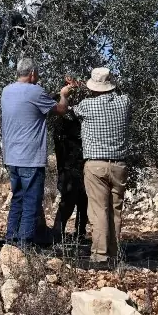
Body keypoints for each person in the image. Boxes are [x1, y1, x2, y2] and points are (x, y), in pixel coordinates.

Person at [1, 58, 73, 245]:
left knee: (18, 198)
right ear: (32, 73)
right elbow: (61, 109)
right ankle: (25, 243)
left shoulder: (6, 91)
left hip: (12, 156)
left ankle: (11, 239)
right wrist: (64, 94)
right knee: (32, 201)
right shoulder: (36, 91)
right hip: (30, 157)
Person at [74, 68, 131, 264]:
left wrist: (73, 89)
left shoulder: (86, 106)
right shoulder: (124, 102)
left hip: (96, 165)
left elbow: (70, 111)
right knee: (115, 210)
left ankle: (99, 255)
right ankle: (115, 254)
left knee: (99, 211)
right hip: (119, 165)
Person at [51, 98, 88, 241]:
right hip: (70, 167)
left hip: (72, 167)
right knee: (70, 200)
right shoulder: (64, 126)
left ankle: (77, 233)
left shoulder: (62, 126)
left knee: (80, 201)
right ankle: (59, 232)